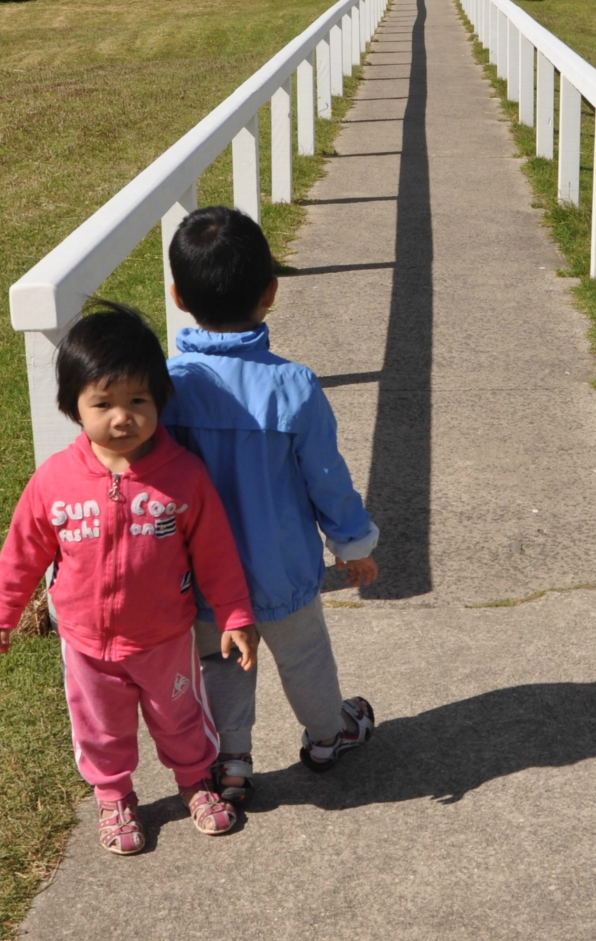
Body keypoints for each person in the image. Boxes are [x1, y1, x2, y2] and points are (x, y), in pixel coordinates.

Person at [0, 301, 260, 856]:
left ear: (159, 399)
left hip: (163, 639)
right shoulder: (55, 480)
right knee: (101, 730)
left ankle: (195, 783)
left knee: (180, 719)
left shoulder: (182, 475)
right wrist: (4, 606)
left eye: (138, 401)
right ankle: (114, 796)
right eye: (103, 403)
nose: (122, 417)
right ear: (72, 408)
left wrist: (235, 614)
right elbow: (24, 547)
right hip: (86, 643)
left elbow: (215, 552)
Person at [161, 205, 379, 804]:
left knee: (223, 661)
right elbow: (326, 478)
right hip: (282, 565)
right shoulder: (294, 385)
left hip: (202, 572)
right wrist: (352, 544)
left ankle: (231, 760)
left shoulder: (164, 386)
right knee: (305, 657)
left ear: (178, 296)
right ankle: (327, 735)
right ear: (271, 293)